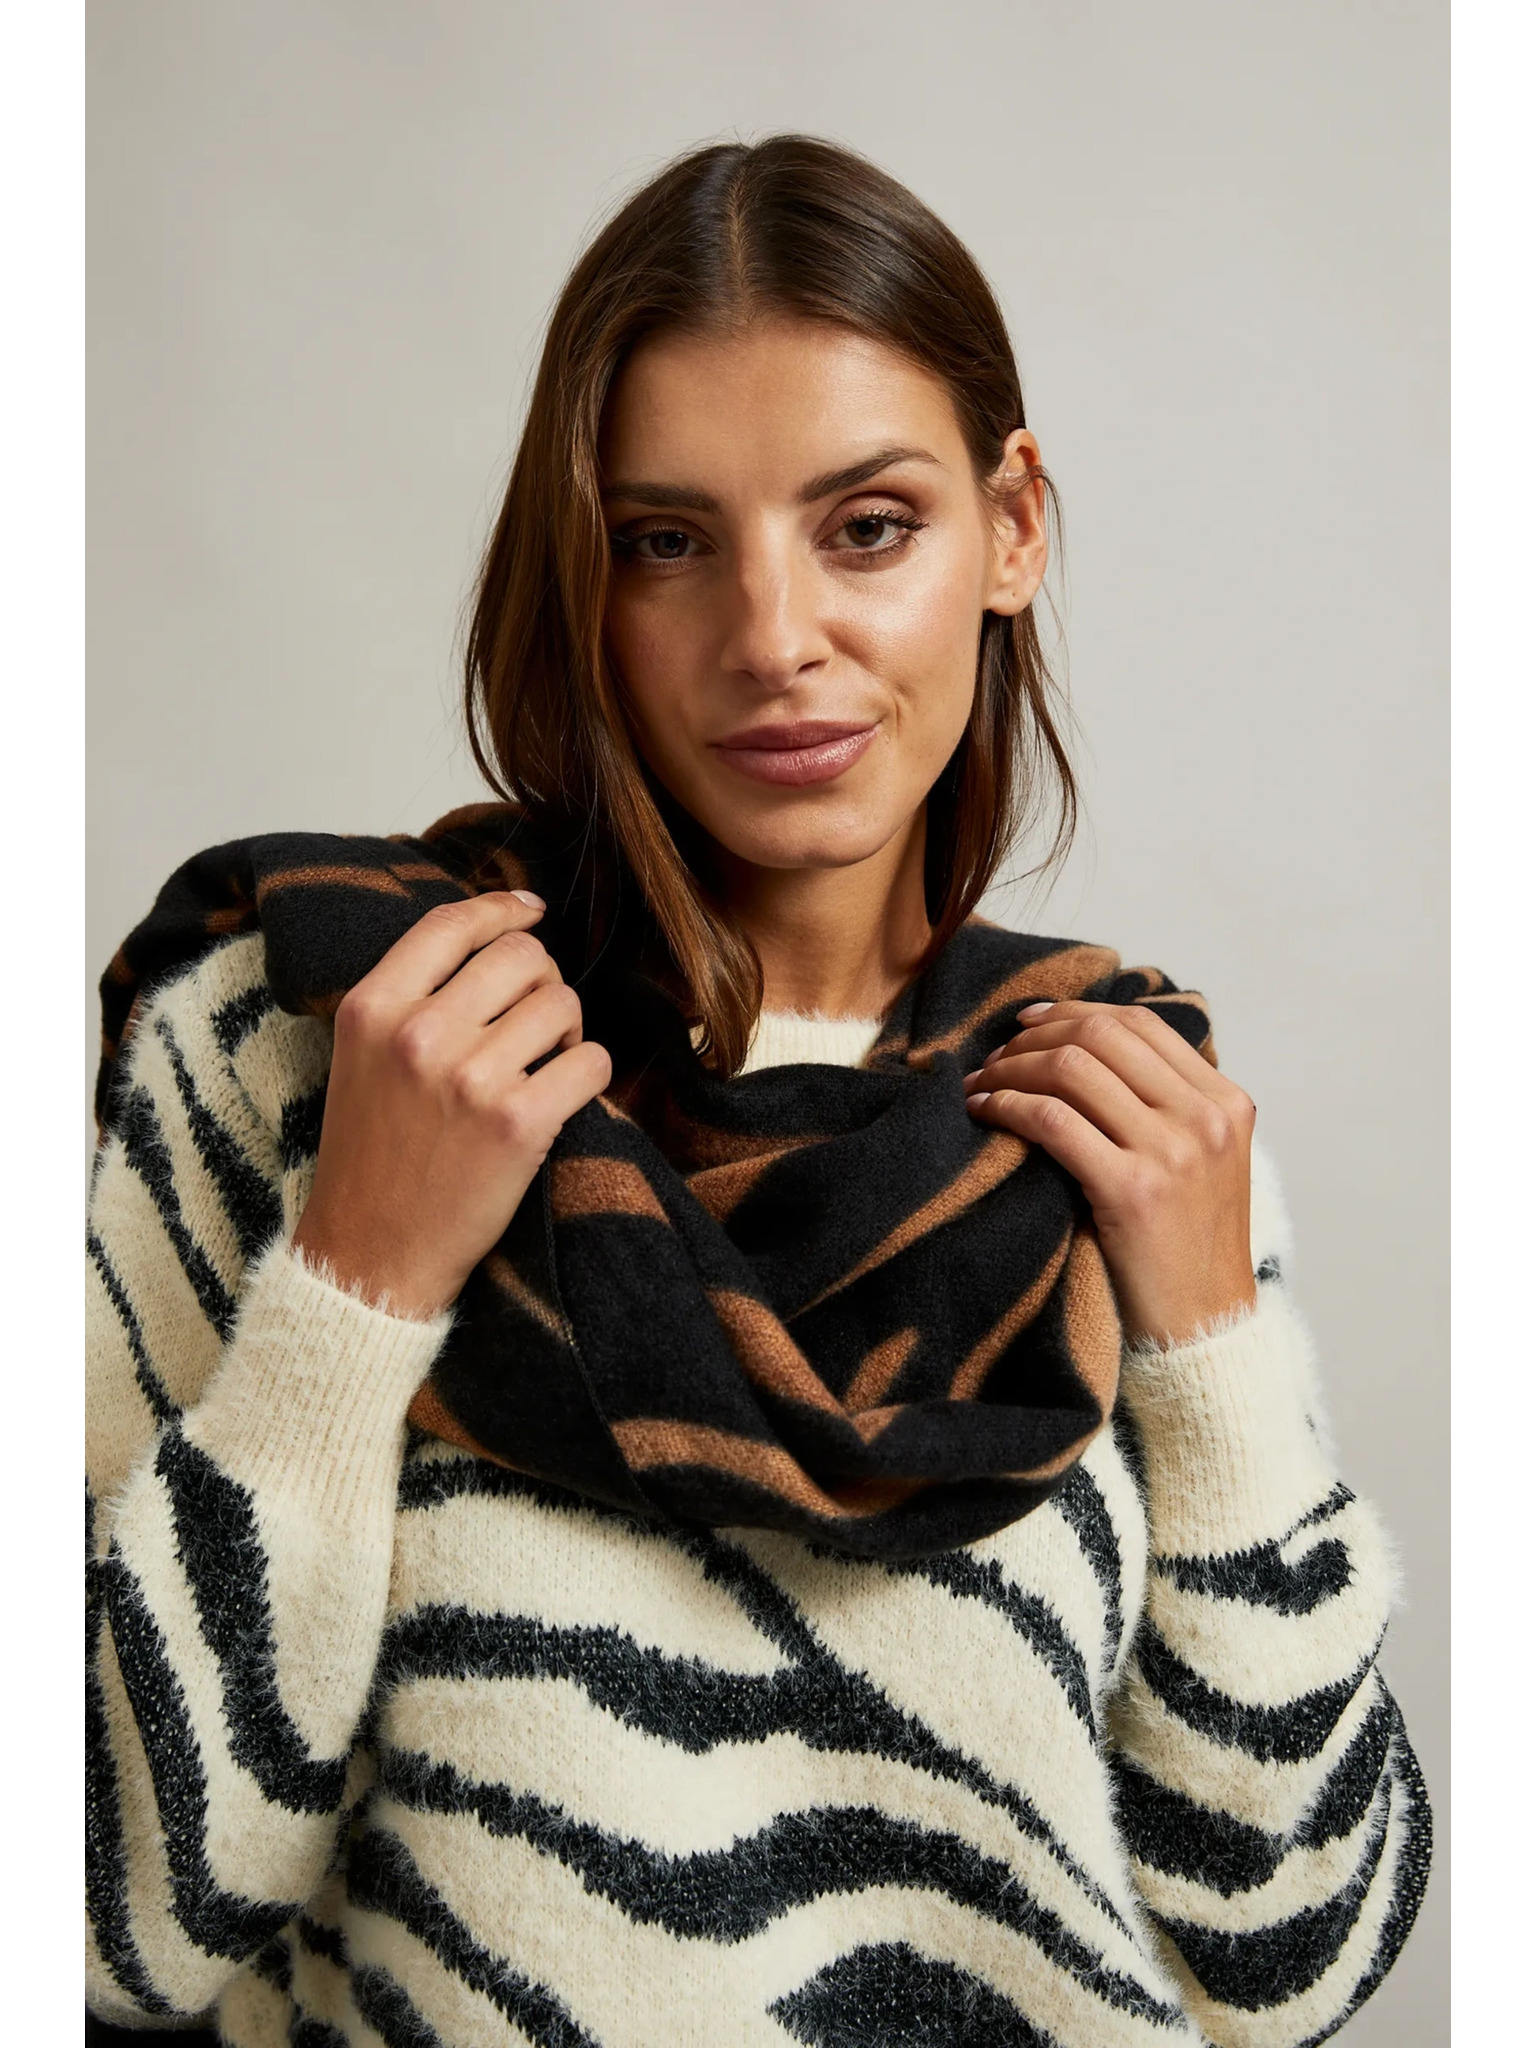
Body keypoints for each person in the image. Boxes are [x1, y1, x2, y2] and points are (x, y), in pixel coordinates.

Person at [85, 135, 1430, 2048]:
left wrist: (1214, 1363)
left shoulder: (1119, 1112)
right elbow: (108, 1927)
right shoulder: (324, 1040)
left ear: (1012, 528)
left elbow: (1294, 1961)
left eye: (867, 527)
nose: (773, 638)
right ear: (583, 575)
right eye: (666, 541)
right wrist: (356, 1288)